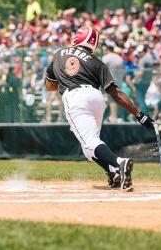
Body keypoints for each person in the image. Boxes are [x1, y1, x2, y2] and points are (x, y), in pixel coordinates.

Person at [44, 25, 154, 191]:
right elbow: (116, 94)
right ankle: (113, 172)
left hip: (74, 97)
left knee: (90, 143)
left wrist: (64, 78)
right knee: (91, 146)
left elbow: (49, 85)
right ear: (93, 44)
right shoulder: (97, 63)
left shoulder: (59, 53)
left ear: (77, 39)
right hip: (97, 98)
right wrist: (140, 115)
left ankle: (119, 163)